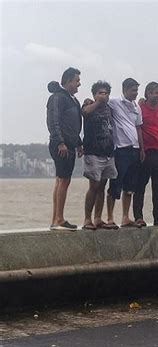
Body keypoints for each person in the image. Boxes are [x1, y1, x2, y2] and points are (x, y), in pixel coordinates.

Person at [46, 67, 83, 231]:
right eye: (77, 80)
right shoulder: (57, 98)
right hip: (61, 144)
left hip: (70, 143)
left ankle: (56, 219)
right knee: (64, 180)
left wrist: (79, 143)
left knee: (61, 180)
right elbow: (53, 121)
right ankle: (59, 218)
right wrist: (60, 142)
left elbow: (74, 125)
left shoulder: (73, 99)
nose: (79, 84)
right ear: (68, 81)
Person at [106, 78, 145, 229]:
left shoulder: (137, 107)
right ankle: (109, 218)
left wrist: (142, 149)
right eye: (133, 90)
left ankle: (125, 217)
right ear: (125, 90)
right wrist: (90, 101)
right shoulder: (115, 102)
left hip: (135, 150)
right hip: (121, 150)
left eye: (136, 90)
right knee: (115, 184)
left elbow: (139, 128)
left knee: (130, 187)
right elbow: (101, 100)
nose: (135, 93)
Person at [81, 81, 118, 230]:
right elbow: (85, 113)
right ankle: (87, 219)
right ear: (94, 95)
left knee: (102, 186)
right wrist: (97, 102)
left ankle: (98, 218)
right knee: (94, 186)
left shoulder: (110, 109)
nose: (104, 95)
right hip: (93, 152)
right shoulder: (88, 106)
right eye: (100, 93)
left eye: (106, 93)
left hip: (108, 153)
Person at [133, 82, 158, 227]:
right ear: (147, 94)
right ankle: (138, 217)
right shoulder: (140, 108)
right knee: (140, 185)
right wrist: (140, 149)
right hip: (144, 152)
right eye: (155, 93)